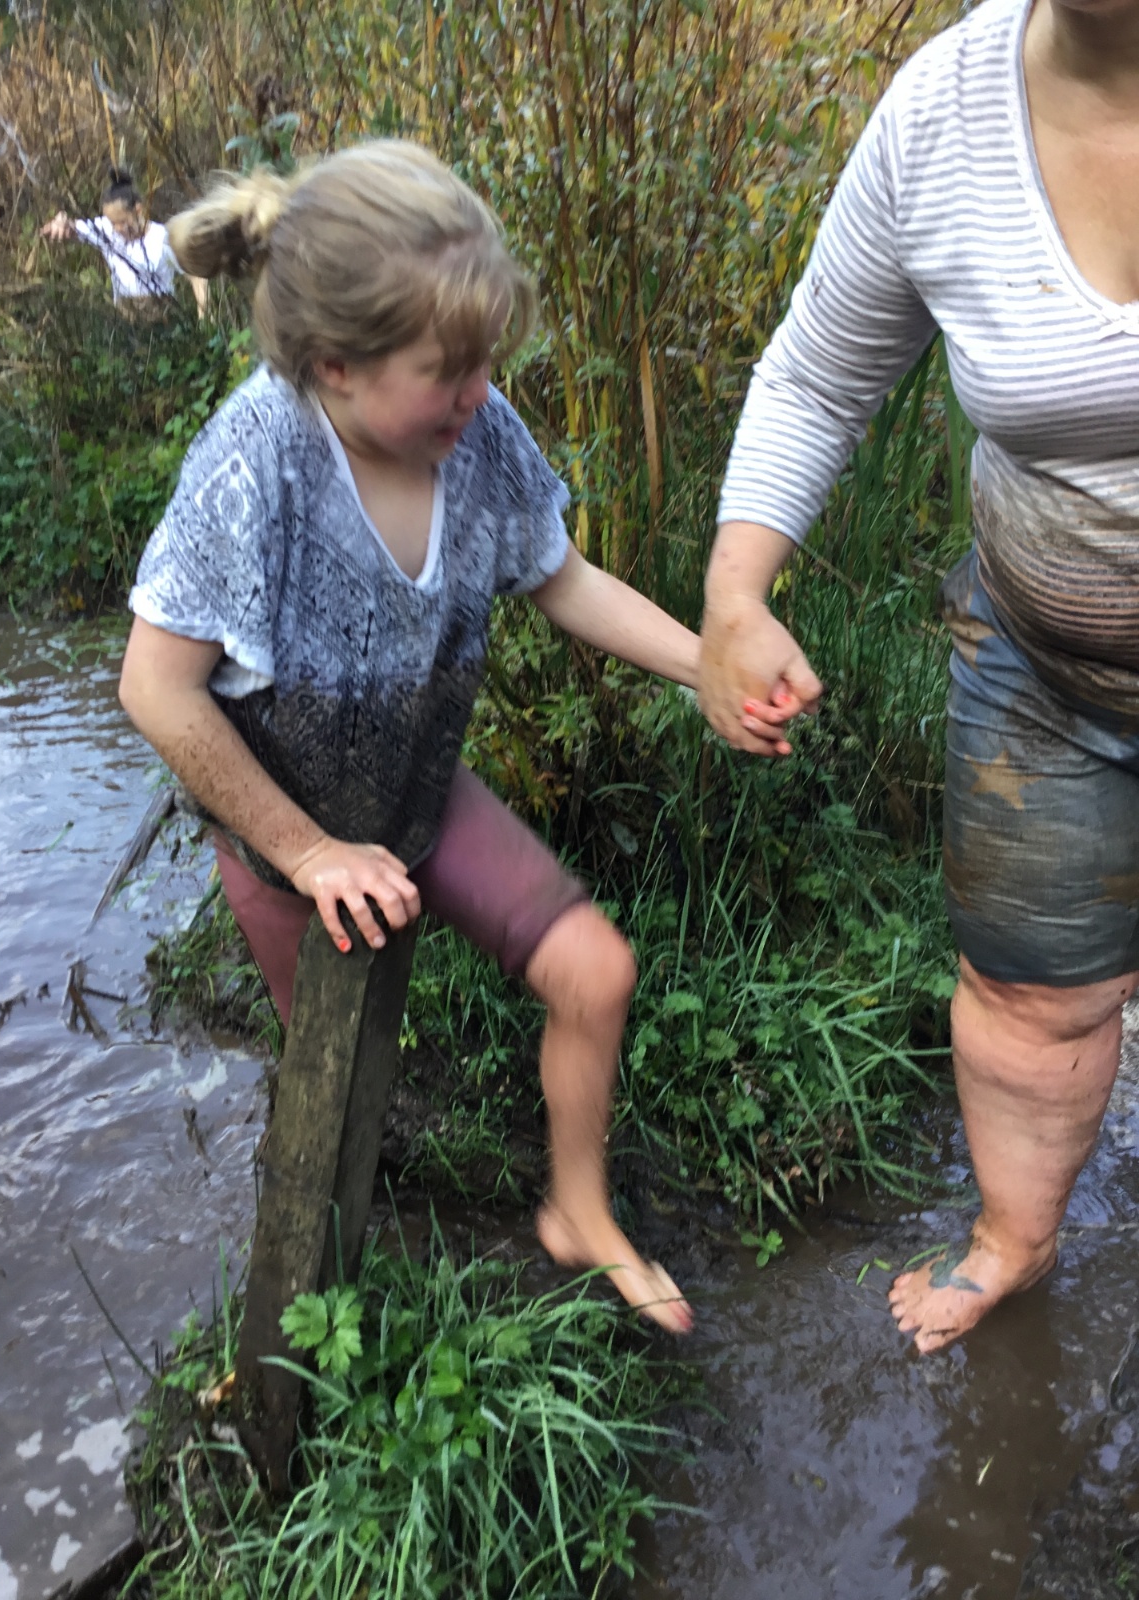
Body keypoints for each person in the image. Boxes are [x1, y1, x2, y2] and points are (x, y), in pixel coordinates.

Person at [118, 142, 700, 1334]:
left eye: (485, 362)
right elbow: (157, 689)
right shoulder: (257, 459)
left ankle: (579, 1209)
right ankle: (338, 1299)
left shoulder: (471, 429)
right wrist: (308, 851)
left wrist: (708, 665)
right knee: (337, 1079)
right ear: (336, 364)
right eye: (448, 370)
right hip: (288, 841)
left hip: (420, 790)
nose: (480, 392)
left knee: (597, 971)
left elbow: (562, 576)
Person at [698, 0, 1139, 1354]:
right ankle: (1014, 1234)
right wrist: (734, 591)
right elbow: (817, 377)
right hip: (1043, 670)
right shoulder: (943, 114)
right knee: (1029, 992)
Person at [41, 167, 208, 318]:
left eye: (122, 222)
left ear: (138, 210)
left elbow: (196, 275)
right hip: (125, 317)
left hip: (162, 317)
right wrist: (61, 223)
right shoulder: (105, 230)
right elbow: (72, 229)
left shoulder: (162, 237)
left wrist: (204, 316)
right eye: (112, 222)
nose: (117, 228)